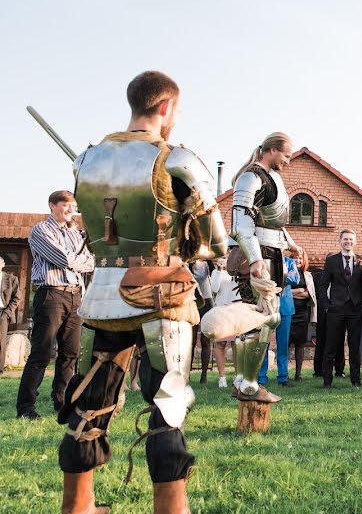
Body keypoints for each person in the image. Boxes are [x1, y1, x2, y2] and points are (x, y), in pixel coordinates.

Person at [52, 71, 228, 512]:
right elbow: (216, 244)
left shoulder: (86, 161)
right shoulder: (177, 159)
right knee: (167, 404)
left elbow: (92, 232)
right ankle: (171, 508)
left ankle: (78, 505)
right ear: (166, 107)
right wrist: (185, 234)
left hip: (103, 295)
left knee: (90, 401)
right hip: (162, 298)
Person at [229, 132, 300, 404]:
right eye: (286, 155)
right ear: (271, 150)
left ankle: (245, 381)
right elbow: (241, 225)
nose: (289, 160)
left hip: (272, 254)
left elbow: (274, 224)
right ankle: (248, 383)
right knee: (259, 319)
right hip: (260, 256)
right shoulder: (251, 177)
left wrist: (293, 245)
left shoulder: (271, 178)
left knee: (267, 319)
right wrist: (256, 259)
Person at [16, 191, 94, 420]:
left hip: (76, 296)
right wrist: (78, 261)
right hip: (52, 295)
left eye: (73, 206)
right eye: (66, 205)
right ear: (52, 205)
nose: (71, 210)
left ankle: (62, 402)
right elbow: (63, 259)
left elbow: (91, 262)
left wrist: (78, 261)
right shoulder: (41, 230)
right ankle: (26, 407)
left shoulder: (76, 233)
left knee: (70, 353)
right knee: (42, 352)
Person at [319, 229, 362, 388]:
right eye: (345, 239)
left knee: (354, 346)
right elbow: (323, 285)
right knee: (331, 346)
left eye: (351, 239)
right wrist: (326, 305)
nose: (348, 242)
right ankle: (327, 381)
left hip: (355, 310)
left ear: (355, 241)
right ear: (340, 241)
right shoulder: (332, 261)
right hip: (336, 309)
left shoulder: (361, 260)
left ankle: (355, 380)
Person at [259, 253, 301, 387]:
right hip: (266, 306)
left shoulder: (289, 261)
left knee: (283, 344)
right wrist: (282, 277)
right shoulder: (262, 261)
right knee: (263, 342)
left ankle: (283, 377)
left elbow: (295, 279)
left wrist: (273, 278)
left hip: (285, 306)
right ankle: (261, 377)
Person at [288, 247, 317, 381]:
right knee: (286, 344)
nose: (297, 260)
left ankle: (298, 373)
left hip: (302, 313)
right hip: (288, 312)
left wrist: (294, 292)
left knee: (300, 344)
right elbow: (282, 292)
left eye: (300, 258)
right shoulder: (285, 273)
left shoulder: (308, 275)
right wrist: (299, 291)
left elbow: (309, 294)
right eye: (295, 257)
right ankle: (284, 373)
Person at [209, 258, 238, 388]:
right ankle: (222, 378)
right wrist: (220, 270)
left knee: (237, 345)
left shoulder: (238, 270)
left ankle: (238, 376)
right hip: (221, 310)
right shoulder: (216, 272)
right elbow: (214, 289)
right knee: (220, 344)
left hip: (235, 310)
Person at [189, 260, 213, 384]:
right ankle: (186, 373)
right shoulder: (187, 262)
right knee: (190, 341)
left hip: (207, 300)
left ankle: (204, 375)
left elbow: (212, 277)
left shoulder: (208, 262)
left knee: (205, 340)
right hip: (192, 300)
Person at [0, 256, 22, 375]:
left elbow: (17, 298)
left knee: (0, 342)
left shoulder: (11, 279)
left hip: (2, 313)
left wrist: (6, 313)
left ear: (2, 264)